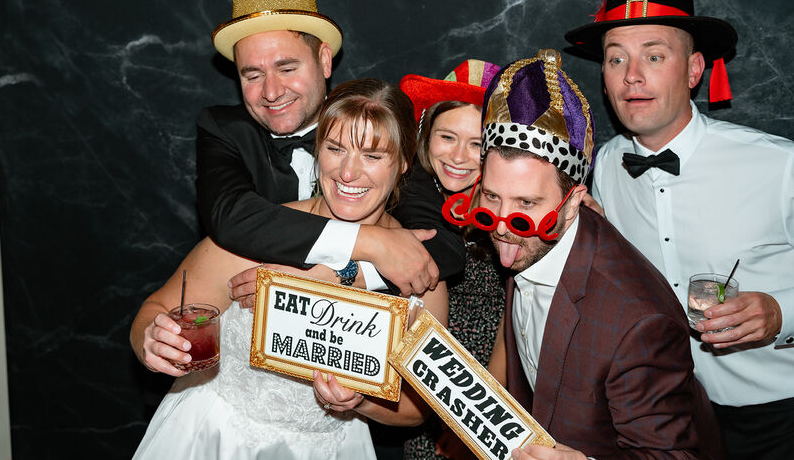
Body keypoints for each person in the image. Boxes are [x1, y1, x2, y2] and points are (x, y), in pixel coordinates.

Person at [130, 78, 449, 459]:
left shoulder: (418, 270)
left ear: (403, 164)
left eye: (372, 155)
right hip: (210, 439)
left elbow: (418, 409)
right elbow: (156, 310)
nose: (348, 173)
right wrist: (151, 342)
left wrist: (358, 401)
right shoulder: (260, 234)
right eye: (335, 149)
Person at [565, 0, 794, 459]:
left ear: (693, 70)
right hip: (667, 420)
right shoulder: (604, 166)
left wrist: (781, 312)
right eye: (615, 58)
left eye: (653, 55)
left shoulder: (779, 165)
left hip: (780, 414)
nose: (631, 76)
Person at [467, 49, 723, 459]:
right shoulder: (530, 243)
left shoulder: (638, 323)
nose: (500, 224)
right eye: (492, 197)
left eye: (526, 204)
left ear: (574, 203)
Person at [199, 0, 465, 301]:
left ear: (324, 60)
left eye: (286, 69)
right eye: (253, 75)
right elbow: (231, 217)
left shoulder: (371, 124)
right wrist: (370, 243)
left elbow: (442, 246)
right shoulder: (223, 128)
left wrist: (333, 276)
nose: (271, 91)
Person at [397, 59, 509, 459]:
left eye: (478, 144)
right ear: (426, 136)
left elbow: (513, 326)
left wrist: (482, 419)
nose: (459, 156)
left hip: (489, 392)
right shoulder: (402, 197)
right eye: (447, 136)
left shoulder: (510, 215)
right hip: (414, 389)